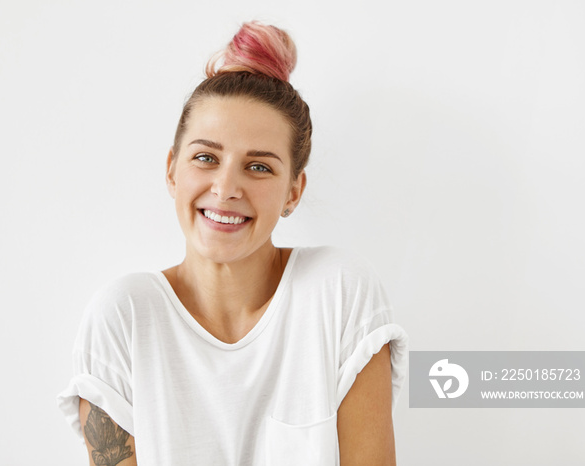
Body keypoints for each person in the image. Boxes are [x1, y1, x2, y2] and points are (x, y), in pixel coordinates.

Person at [58, 21, 408, 466]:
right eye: (206, 158)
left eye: (259, 167)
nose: (225, 189)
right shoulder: (122, 317)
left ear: (293, 192)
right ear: (172, 169)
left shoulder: (338, 293)